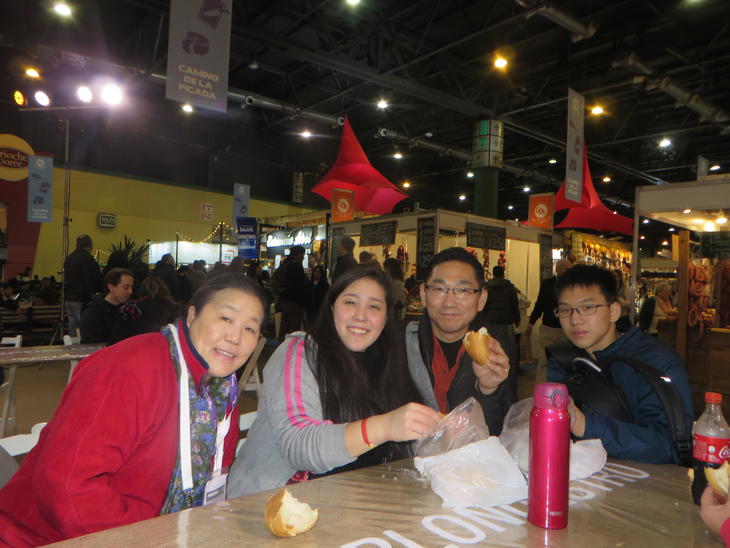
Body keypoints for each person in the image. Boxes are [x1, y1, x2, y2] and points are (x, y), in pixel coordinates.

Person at [0, 272, 265, 546]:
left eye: (250, 328)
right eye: (226, 318)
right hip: (44, 539)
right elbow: (67, 488)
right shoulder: (129, 369)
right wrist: (149, 539)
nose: (235, 337)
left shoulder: (221, 392)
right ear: (192, 314)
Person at [227, 266, 440, 497]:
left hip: (355, 499)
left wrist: (439, 431)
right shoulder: (300, 352)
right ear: (331, 307)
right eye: (350, 302)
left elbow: (404, 445)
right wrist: (384, 427)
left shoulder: (389, 361)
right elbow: (299, 446)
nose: (360, 315)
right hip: (273, 502)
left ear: (387, 316)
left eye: (374, 307)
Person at [547, 264, 693, 464]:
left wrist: (584, 424)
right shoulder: (563, 359)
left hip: (649, 480)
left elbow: (669, 446)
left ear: (614, 311)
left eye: (588, 308)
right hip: (580, 477)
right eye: (565, 310)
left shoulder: (655, 362)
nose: (575, 320)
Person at [404, 247, 513, 436]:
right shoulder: (400, 344)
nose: (449, 302)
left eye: (463, 290)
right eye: (439, 289)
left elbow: (500, 432)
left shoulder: (496, 350)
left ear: (481, 299)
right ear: (423, 294)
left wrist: (487, 390)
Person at [526, 258, 572, 382]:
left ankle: (562, 387)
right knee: (545, 359)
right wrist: (531, 322)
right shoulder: (547, 284)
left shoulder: (574, 285)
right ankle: (541, 386)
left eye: (570, 269)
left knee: (565, 360)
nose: (568, 272)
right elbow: (539, 303)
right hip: (548, 329)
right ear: (557, 270)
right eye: (565, 269)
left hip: (568, 329)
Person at [482, 265, 520, 401]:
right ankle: (509, 393)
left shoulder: (487, 288)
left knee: (491, 355)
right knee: (509, 357)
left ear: (493, 274)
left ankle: (492, 389)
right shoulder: (509, 287)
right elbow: (514, 305)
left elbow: (484, 306)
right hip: (506, 324)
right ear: (503, 273)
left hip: (490, 324)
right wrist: (517, 320)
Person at [108, 276, 181, 344]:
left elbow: (116, 338)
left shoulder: (131, 308)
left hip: (137, 348)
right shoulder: (177, 309)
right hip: (166, 348)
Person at [80, 268, 134, 343]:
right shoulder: (93, 311)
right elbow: (91, 342)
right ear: (111, 287)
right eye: (126, 287)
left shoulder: (130, 309)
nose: (130, 291)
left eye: (131, 287)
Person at [63, 234, 101, 337]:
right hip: (82, 299)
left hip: (69, 298)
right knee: (85, 327)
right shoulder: (88, 258)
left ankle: (73, 346)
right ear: (90, 245)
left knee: (73, 328)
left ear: (77, 245)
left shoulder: (69, 258)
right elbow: (94, 278)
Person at [276, 245, 308, 337]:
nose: (303, 257)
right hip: (294, 303)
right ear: (299, 254)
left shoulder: (285, 263)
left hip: (284, 300)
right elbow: (299, 286)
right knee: (294, 328)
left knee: (284, 327)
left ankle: (282, 344)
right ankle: (291, 345)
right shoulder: (297, 266)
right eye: (303, 255)